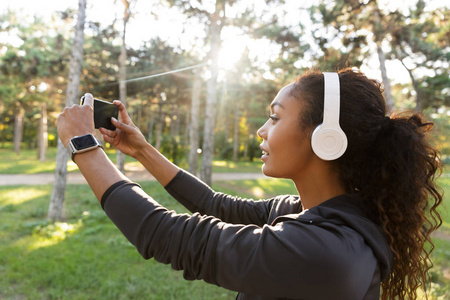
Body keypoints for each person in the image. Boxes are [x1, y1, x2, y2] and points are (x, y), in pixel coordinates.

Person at [57, 68, 443, 300]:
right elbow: (213, 203)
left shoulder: (329, 250)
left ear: (327, 137)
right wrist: (141, 150)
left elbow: (168, 235)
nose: (261, 130)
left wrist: (83, 147)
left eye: (275, 118)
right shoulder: (310, 213)